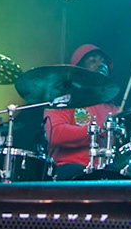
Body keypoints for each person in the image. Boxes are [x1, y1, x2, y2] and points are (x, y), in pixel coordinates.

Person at [42, 44, 120, 178]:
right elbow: (56, 134)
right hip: (69, 168)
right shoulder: (64, 100)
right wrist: (99, 129)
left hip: (104, 171)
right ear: (79, 68)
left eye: (104, 62)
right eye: (93, 60)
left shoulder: (114, 109)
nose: (101, 64)